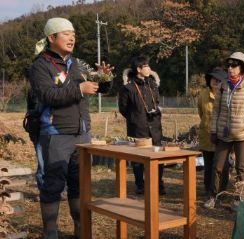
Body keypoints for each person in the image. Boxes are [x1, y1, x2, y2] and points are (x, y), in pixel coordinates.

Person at [29, 17, 114, 238]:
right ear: (51, 38)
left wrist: (105, 77)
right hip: (56, 133)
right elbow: (48, 95)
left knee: (79, 184)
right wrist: (79, 88)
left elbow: (97, 87)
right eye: (66, 33)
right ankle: (50, 232)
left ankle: (80, 230)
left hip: (82, 134)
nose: (72, 37)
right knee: (53, 184)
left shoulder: (77, 64)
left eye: (73, 33)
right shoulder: (40, 65)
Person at [204, 52, 244, 208]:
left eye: (234, 65)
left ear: (241, 68)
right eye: (228, 65)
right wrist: (214, 131)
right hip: (223, 134)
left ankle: (239, 199)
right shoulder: (222, 86)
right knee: (217, 166)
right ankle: (214, 197)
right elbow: (216, 111)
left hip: (242, 135)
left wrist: (243, 124)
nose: (230, 68)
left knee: (241, 168)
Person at [118, 55, 166, 196]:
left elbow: (156, 102)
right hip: (138, 127)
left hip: (155, 126)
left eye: (148, 66)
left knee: (158, 157)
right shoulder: (128, 88)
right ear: (138, 69)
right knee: (138, 158)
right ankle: (140, 185)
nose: (149, 69)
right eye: (146, 66)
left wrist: (155, 113)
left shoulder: (152, 84)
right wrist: (135, 118)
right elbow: (123, 108)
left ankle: (158, 184)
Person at [197, 67, 230, 195]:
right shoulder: (203, 94)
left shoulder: (226, 93)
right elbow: (201, 112)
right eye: (213, 78)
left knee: (222, 164)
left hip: (223, 134)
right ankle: (208, 188)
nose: (215, 81)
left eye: (218, 79)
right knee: (209, 163)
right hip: (207, 134)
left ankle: (222, 189)